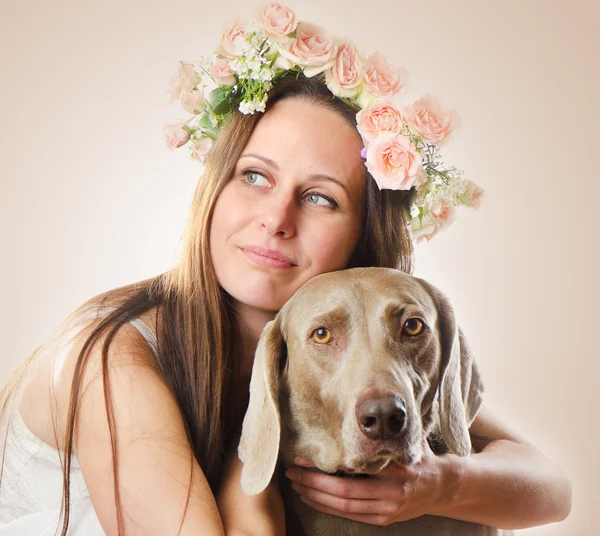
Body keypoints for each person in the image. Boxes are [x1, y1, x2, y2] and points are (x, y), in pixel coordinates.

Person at [0, 5, 571, 536]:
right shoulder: (115, 359)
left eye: (320, 197)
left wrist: (437, 485)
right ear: (214, 189)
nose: (276, 219)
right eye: (255, 177)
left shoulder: (350, 349)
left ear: (362, 240)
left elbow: (551, 488)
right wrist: (248, 469)